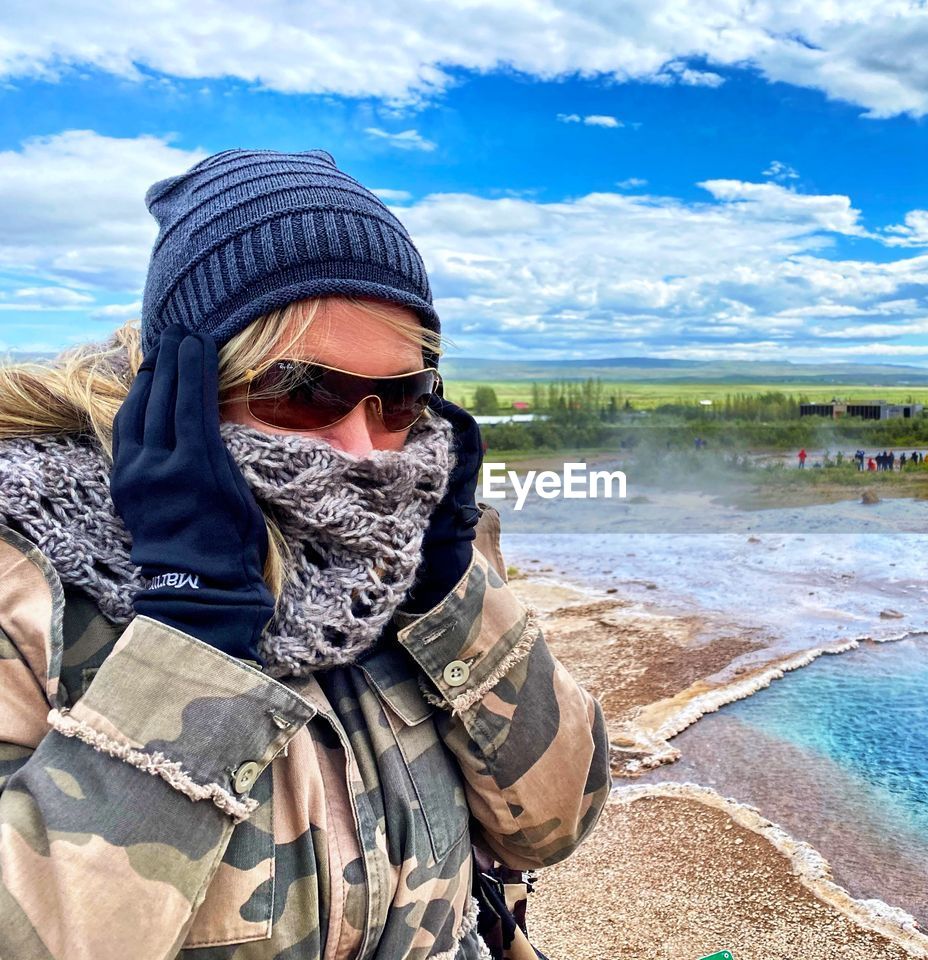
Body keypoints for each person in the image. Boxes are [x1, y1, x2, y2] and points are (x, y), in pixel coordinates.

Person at [0, 148, 610, 960]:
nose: (363, 453)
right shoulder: (31, 583)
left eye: (400, 398)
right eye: (300, 390)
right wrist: (186, 643)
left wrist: (451, 598)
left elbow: (553, 825)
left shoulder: (414, 543)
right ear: (183, 384)